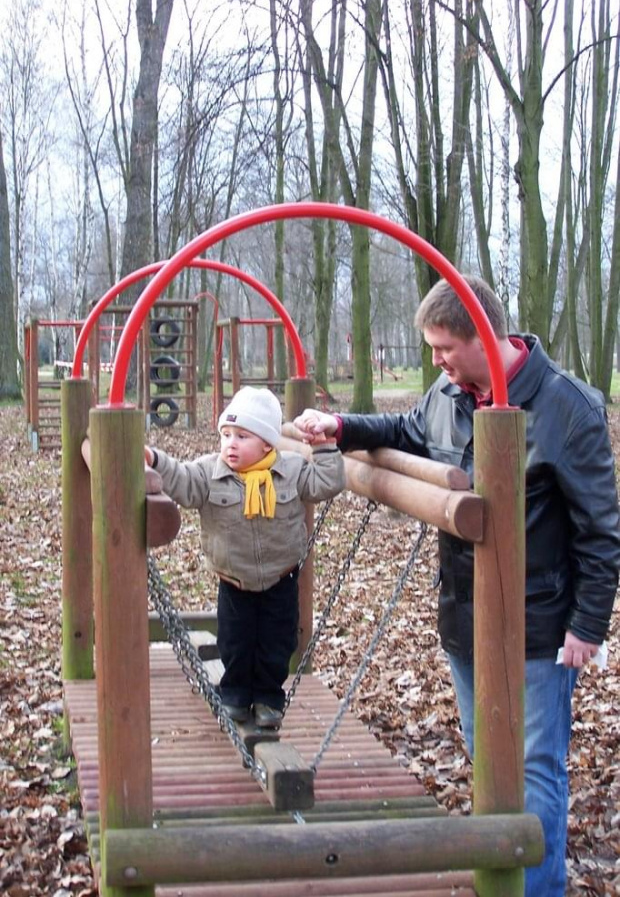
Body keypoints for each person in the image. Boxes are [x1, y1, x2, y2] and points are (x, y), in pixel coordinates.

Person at [293, 276, 620, 897]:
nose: (435, 360)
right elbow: (403, 431)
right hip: (465, 613)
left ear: (484, 337)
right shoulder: (449, 392)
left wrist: (587, 627)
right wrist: (338, 425)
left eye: (443, 347)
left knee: (532, 766)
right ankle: (503, 870)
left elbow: (601, 532)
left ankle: (536, 888)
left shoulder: (566, 407)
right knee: (486, 754)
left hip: (539, 624)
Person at [145, 385, 345, 729]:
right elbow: (181, 481)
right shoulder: (211, 472)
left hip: (280, 577)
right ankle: (235, 694)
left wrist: (325, 447)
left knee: (277, 642)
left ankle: (268, 698)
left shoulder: (292, 469)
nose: (230, 444)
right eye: (226, 435)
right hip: (233, 578)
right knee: (235, 641)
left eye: (242, 436)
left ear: (267, 443)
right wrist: (155, 460)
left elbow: (327, 483)